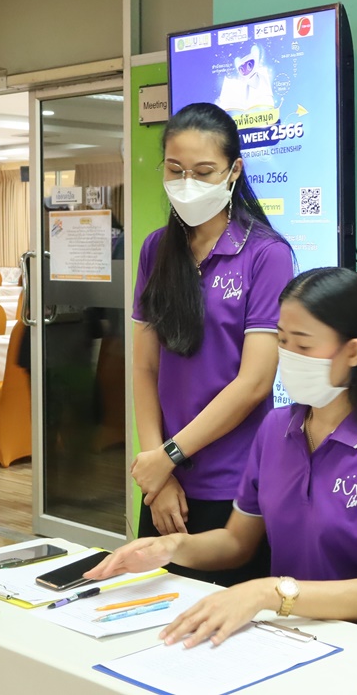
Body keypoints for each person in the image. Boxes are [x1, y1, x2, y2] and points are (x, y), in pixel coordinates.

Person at [87, 267, 357, 645]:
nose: (289, 357)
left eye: (304, 346)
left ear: (354, 351)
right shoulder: (275, 428)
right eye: (282, 341)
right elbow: (237, 543)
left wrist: (270, 593)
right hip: (282, 634)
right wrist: (170, 547)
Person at [130, 102, 294, 584]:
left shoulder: (266, 254)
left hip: (233, 484)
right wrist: (156, 471)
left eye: (203, 172)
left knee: (223, 619)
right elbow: (144, 367)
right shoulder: (156, 249)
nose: (188, 183)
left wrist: (169, 456)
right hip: (163, 480)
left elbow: (254, 382)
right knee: (152, 610)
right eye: (175, 170)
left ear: (233, 171)